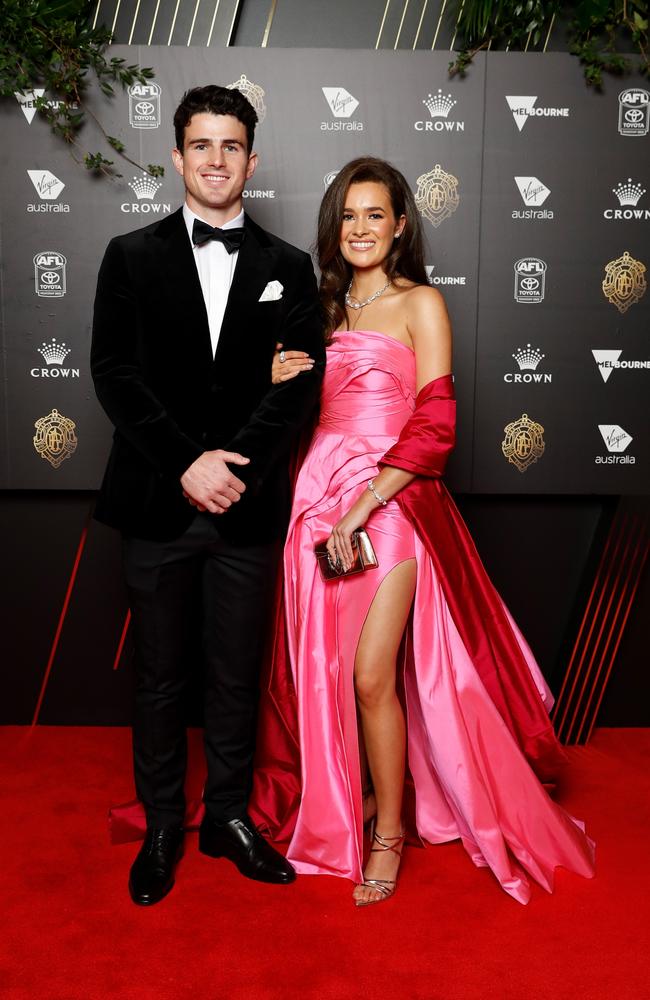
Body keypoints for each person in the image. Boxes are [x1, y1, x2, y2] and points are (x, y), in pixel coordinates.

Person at [251, 156, 595, 906]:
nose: (361, 228)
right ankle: (354, 799)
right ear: (332, 226)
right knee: (326, 675)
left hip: (390, 499)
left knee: (375, 671)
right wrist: (277, 382)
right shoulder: (319, 309)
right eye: (349, 215)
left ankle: (390, 833)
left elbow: (435, 423)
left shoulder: (422, 304)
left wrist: (366, 503)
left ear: (401, 223)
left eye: (376, 214)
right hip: (315, 494)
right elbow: (295, 410)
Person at [91, 85, 325, 906]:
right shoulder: (129, 256)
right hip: (158, 499)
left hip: (247, 507)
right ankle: (163, 823)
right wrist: (189, 462)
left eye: (231, 146)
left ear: (251, 162)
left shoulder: (289, 268)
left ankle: (226, 816)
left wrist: (234, 468)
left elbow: (297, 385)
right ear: (179, 155)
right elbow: (116, 375)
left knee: (233, 673)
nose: (216, 160)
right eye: (201, 145)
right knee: (160, 675)